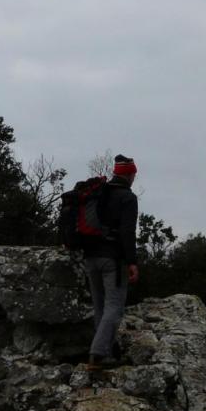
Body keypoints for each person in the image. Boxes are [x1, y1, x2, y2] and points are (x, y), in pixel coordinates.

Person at [84, 154, 139, 371]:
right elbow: (127, 231)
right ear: (129, 174)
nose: (134, 177)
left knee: (100, 307)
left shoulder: (99, 193)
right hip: (112, 260)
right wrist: (132, 261)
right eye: (134, 174)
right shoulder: (127, 197)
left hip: (90, 256)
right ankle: (97, 354)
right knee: (114, 307)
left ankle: (106, 353)